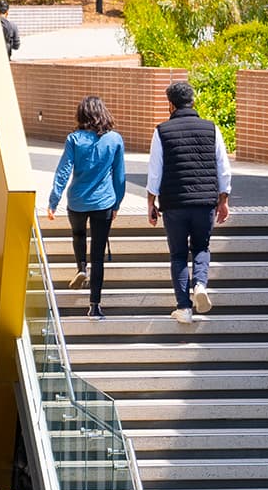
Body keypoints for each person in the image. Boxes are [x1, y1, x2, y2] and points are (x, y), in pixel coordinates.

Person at [146, 81, 230, 324]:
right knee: (202, 247)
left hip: (174, 204)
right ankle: (200, 285)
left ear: (170, 105)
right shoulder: (211, 128)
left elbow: (155, 173)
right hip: (205, 202)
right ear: (193, 101)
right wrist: (223, 199)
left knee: (179, 255)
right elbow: (223, 168)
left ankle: (184, 307)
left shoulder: (162, 131)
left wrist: (151, 202)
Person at [47, 96, 126, 320]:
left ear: (82, 115)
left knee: (78, 234)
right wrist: (117, 203)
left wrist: (54, 201)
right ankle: (94, 306)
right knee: (98, 255)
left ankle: (81, 267)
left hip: (77, 201)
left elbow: (63, 171)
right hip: (104, 202)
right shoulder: (115, 139)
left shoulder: (74, 139)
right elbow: (120, 176)